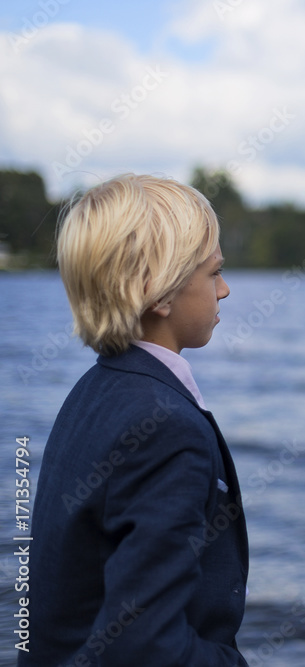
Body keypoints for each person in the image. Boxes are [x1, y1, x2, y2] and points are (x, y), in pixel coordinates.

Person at [21, 174, 249, 666]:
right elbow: (144, 644)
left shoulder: (93, 390)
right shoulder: (166, 429)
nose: (225, 290)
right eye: (213, 273)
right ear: (159, 293)